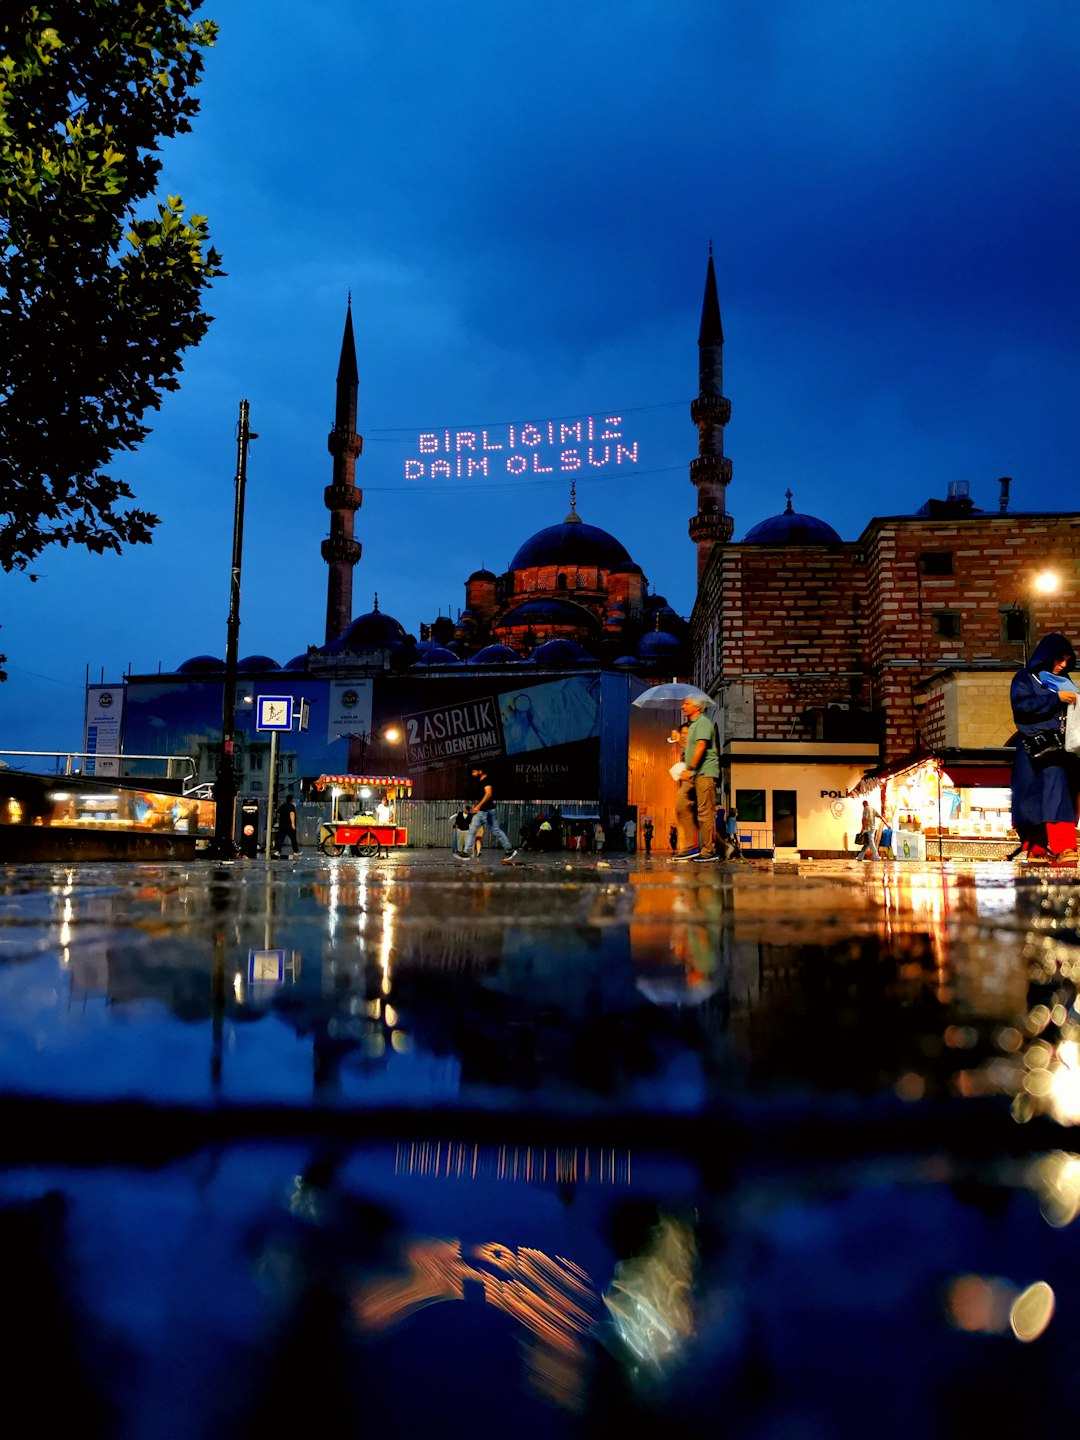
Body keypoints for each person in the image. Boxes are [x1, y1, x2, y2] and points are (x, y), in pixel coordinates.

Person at [1011, 632, 1080, 863]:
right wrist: (1055, 699)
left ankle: (1065, 846)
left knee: (1059, 795)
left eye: (1067, 661)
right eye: (1059, 659)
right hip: (1033, 749)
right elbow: (1021, 707)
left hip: (1059, 751)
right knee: (1033, 800)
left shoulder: (1065, 681)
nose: (1062, 665)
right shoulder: (1025, 679)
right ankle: (1037, 847)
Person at [674, 695, 719, 862]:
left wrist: (691, 768)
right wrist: (679, 741)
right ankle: (690, 846)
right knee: (681, 804)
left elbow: (701, 747)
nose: (683, 706)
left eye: (687, 703)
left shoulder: (703, 723)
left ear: (697, 707)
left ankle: (709, 850)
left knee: (704, 811)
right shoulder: (692, 726)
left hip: (704, 772)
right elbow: (691, 748)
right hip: (693, 773)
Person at [455, 766, 517, 863]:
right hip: (483, 811)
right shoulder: (480, 781)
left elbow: (489, 794)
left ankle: (510, 850)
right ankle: (466, 853)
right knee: (474, 830)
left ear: (480, 771)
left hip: (486, 811)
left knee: (493, 830)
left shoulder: (487, 780)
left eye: (474, 771)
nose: (472, 774)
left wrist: (478, 806)